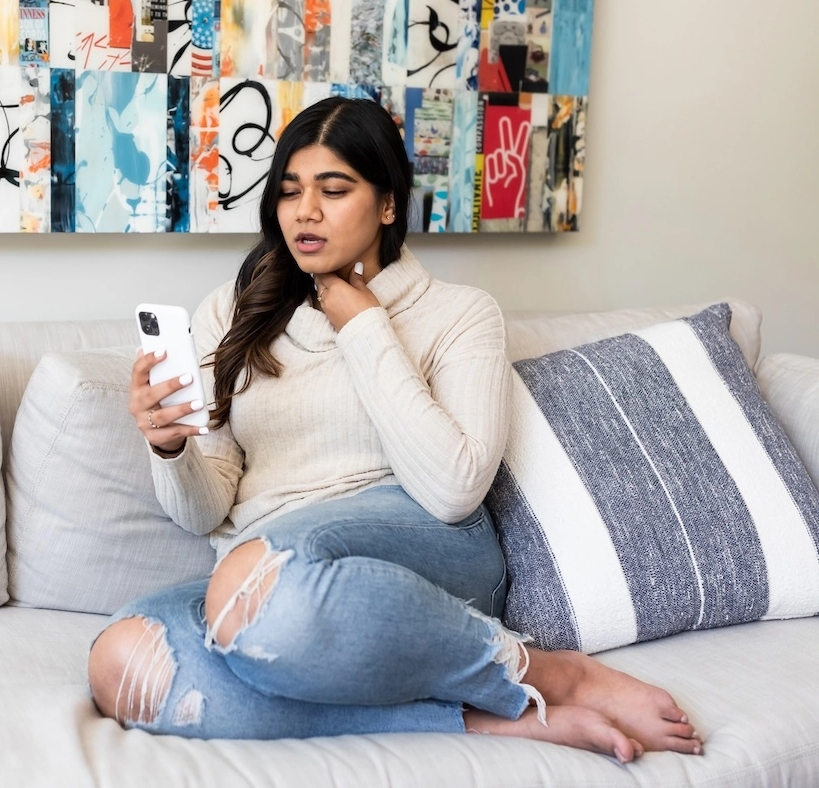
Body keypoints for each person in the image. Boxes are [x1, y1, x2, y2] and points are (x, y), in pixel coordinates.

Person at [88, 97, 703, 761]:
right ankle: (482, 718)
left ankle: (554, 675)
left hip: (425, 546)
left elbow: (453, 491)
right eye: (290, 191)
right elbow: (204, 513)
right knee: (123, 663)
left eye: (333, 190)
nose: (305, 212)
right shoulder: (234, 312)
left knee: (254, 582)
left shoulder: (461, 314)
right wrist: (171, 447)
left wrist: (363, 326)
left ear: (386, 205)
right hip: (268, 576)